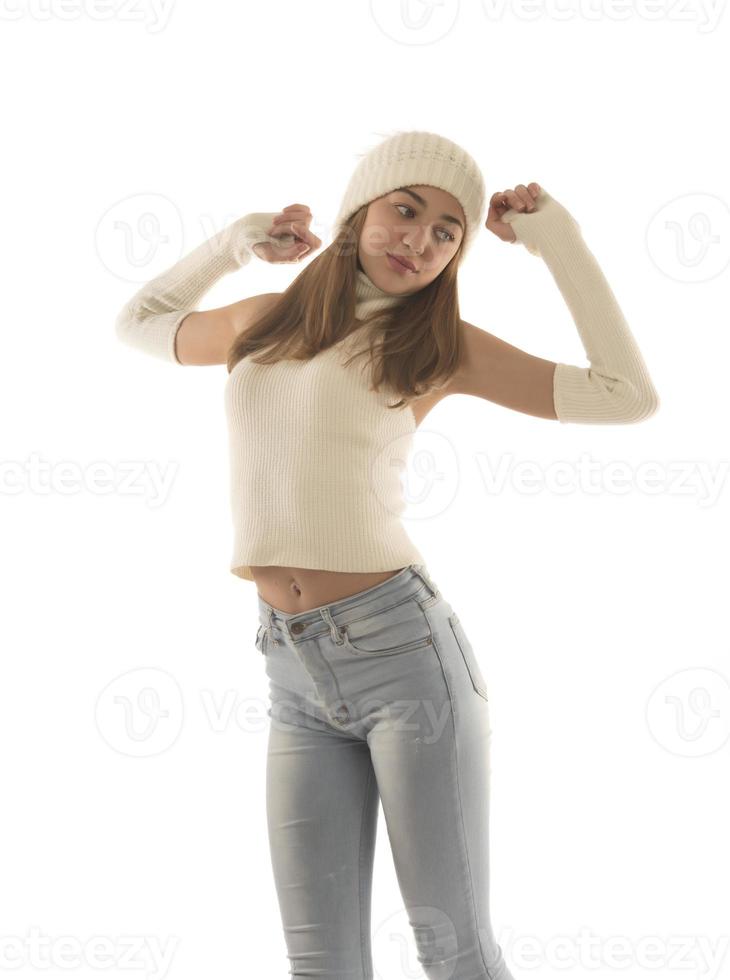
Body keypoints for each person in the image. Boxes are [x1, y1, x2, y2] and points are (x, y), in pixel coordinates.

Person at [115, 130, 659, 979]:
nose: (422, 240)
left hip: (405, 661)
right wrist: (233, 242)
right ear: (357, 214)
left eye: (448, 231)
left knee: (456, 953)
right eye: (406, 210)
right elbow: (137, 322)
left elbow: (628, 397)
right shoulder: (263, 322)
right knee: (320, 963)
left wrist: (558, 241)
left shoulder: (439, 349)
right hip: (290, 670)